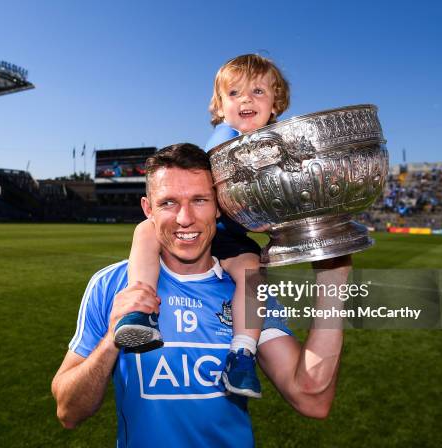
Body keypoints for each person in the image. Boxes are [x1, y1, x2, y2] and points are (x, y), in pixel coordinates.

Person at [52, 144, 350, 447]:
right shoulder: (112, 285)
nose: (185, 218)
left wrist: (333, 280)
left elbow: (313, 400)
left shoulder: (249, 292)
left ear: (219, 206)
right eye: (168, 202)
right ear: (147, 209)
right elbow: (68, 411)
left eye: (199, 200)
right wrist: (110, 342)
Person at [116, 54, 290, 398]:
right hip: (204, 227)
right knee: (145, 230)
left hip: (230, 238)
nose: (246, 100)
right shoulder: (226, 136)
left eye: (258, 91)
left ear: (276, 103)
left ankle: (242, 355)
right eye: (235, 93)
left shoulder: (278, 145)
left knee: (252, 274)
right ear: (220, 106)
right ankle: (139, 310)